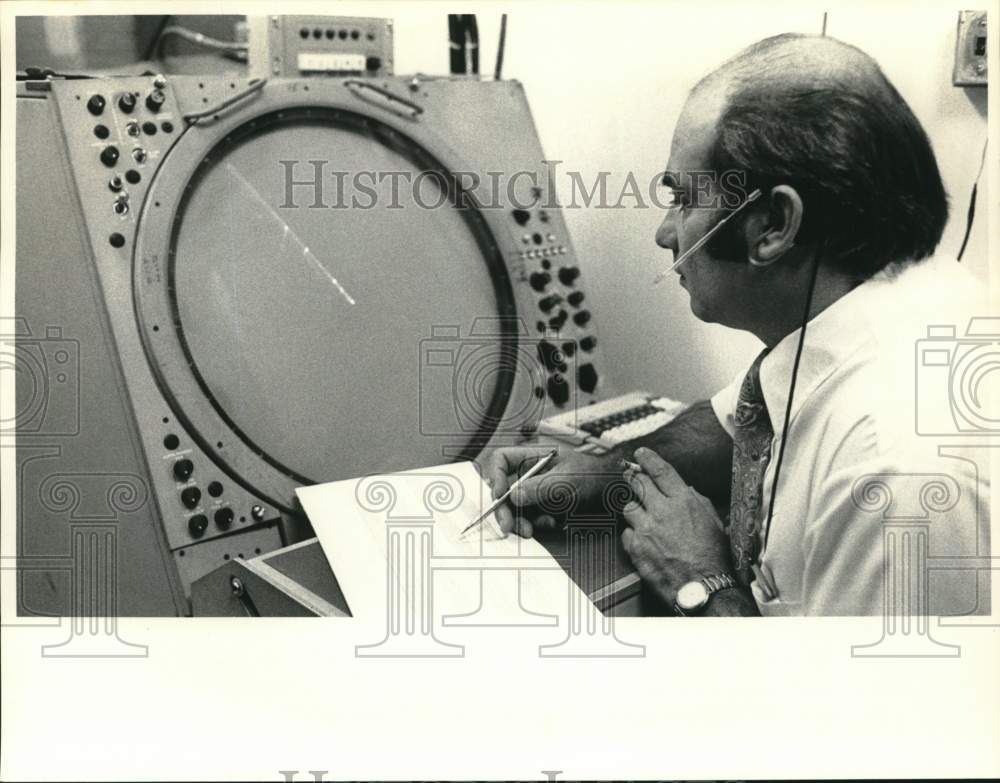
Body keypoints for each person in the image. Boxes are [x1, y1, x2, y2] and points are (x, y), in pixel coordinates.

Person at [480, 33, 989, 616]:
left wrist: (703, 583)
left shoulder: (894, 469)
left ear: (773, 224)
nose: (665, 233)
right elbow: (736, 431)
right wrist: (609, 470)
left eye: (682, 198)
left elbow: (856, 708)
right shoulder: (900, 299)